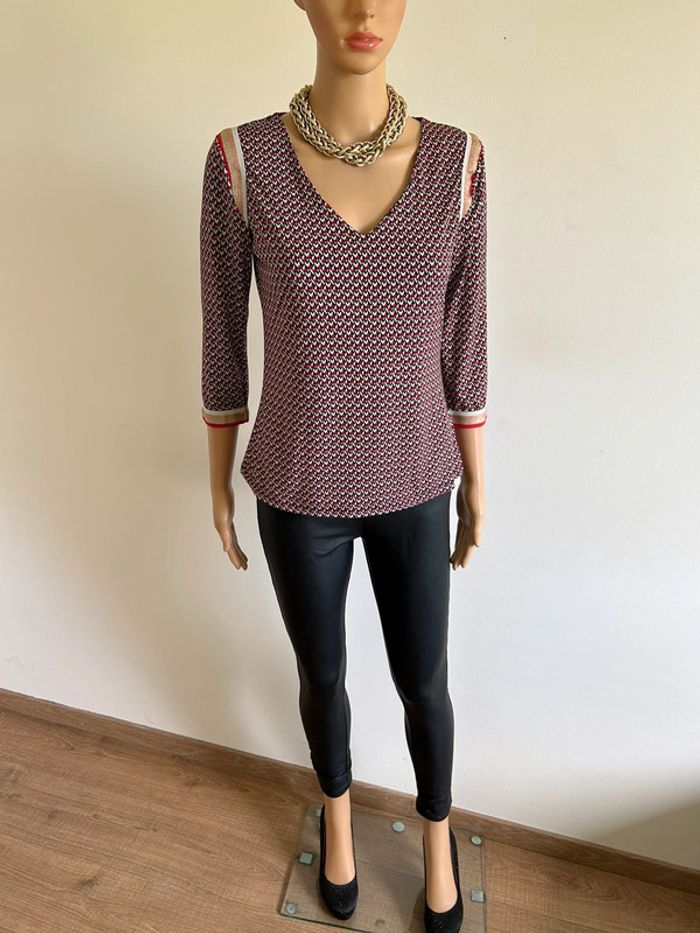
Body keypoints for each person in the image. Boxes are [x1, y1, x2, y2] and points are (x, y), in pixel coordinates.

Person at [199, 3, 487, 930]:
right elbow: (222, 336)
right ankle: (337, 818)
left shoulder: (459, 163)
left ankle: (437, 837)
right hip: (298, 483)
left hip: (416, 477)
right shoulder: (241, 162)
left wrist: (476, 479)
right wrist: (219, 474)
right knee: (321, 673)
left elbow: (465, 341)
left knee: (424, 681)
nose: (364, 9)